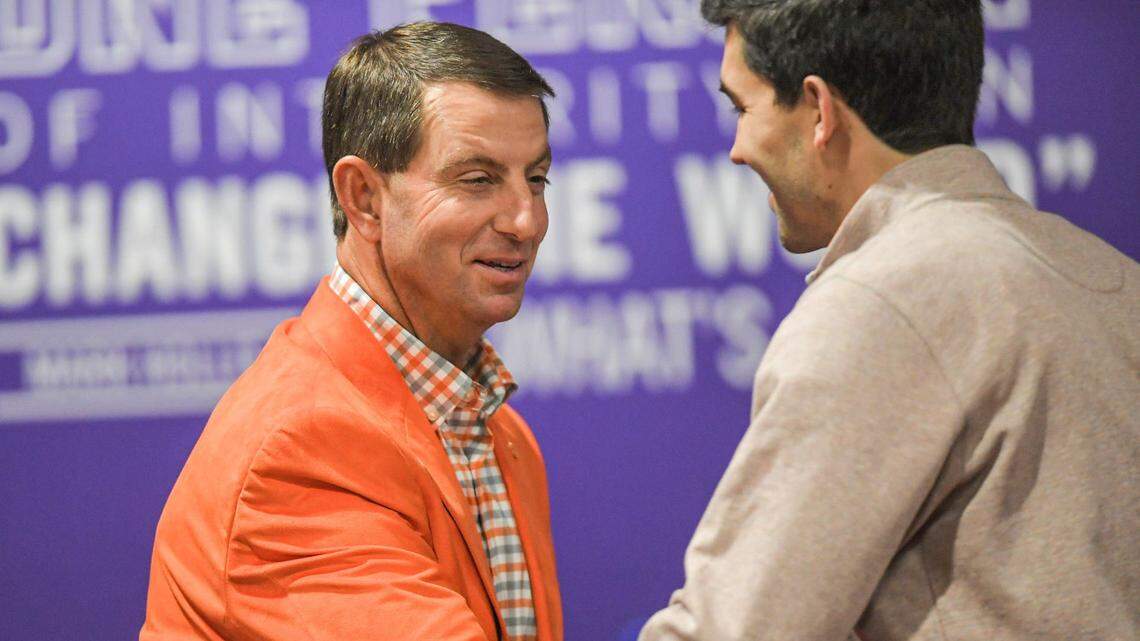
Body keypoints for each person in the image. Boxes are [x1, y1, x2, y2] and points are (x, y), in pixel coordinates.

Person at [640, 1, 1140, 640]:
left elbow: (741, 631)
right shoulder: (1112, 277)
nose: (737, 149)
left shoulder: (883, 300)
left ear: (819, 111)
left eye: (743, 108)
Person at [141, 22, 562, 641]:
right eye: (478, 180)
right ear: (364, 198)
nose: (527, 220)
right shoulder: (297, 450)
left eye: (537, 178)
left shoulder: (498, 429)